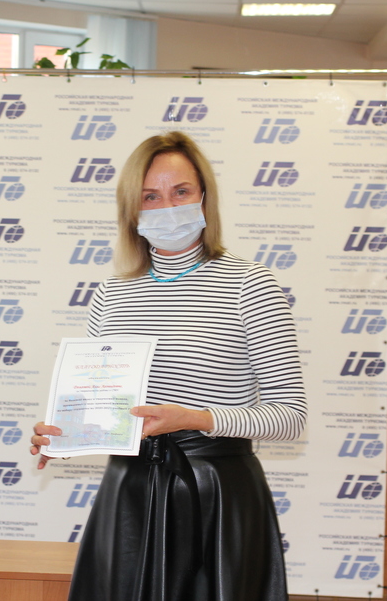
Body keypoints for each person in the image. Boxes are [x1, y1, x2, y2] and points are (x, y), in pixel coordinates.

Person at [31, 131, 307, 601]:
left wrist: (195, 418)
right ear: (132, 211)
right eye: (150, 197)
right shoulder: (111, 295)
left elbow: (290, 416)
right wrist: (64, 435)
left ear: (204, 198)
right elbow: (101, 406)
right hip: (130, 492)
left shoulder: (250, 284)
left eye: (181, 192)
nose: (168, 207)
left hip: (216, 493)